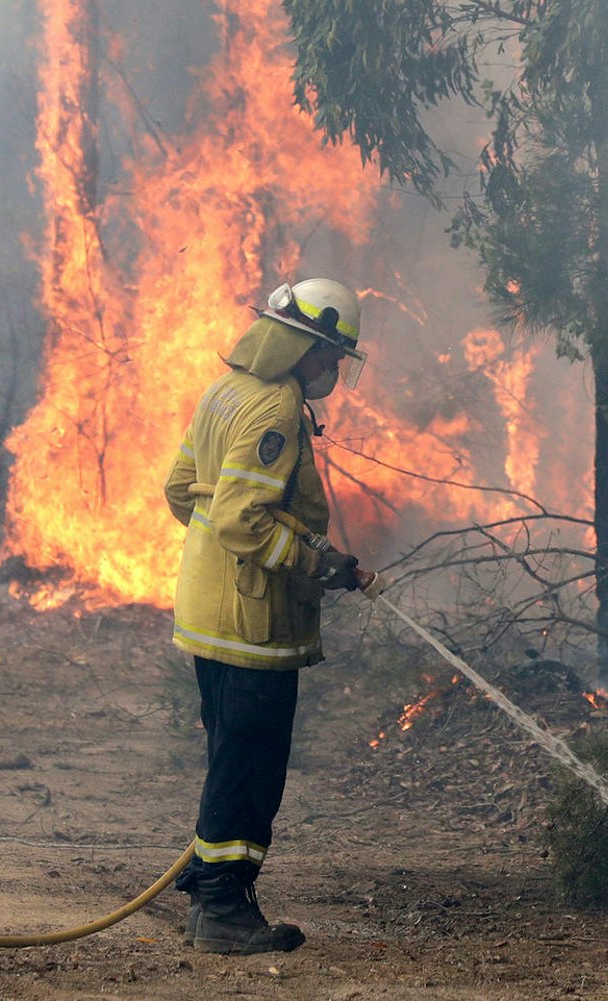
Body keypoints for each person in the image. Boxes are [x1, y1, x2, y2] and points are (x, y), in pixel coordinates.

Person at [162, 276, 370, 954]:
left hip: (206, 610)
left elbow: (180, 491)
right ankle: (222, 907)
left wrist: (284, 542)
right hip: (251, 620)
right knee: (250, 765)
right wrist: (310, 559)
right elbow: (241, 516)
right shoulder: (277, 407)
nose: (333, 370)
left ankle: (213, 899)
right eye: (331, 355)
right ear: (304, 347)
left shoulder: (224, 391)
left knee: (230, 753)